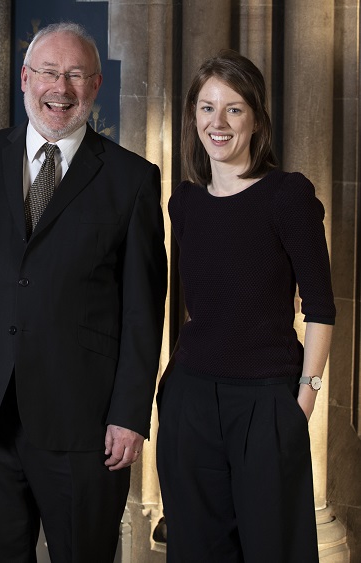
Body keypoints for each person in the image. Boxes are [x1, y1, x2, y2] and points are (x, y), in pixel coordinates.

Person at [0, 21, 167, 563]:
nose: (60, 88)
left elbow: (143, 308)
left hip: (83, 423)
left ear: (96, 85)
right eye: (48, 72)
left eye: (76, 75)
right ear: (23, 78)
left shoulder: (132, 179)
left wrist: (130, 412)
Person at [157, 50, 336, 562]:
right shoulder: (185, 203)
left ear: (256, 119)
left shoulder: (287, 195)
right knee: (194, 551)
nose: (219, 122)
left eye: (234, 109)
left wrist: (304, 398)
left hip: (266, 401)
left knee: (272, 550)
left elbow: (321, 307)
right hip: (190, 398)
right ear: (194, 116)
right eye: (208, 107)